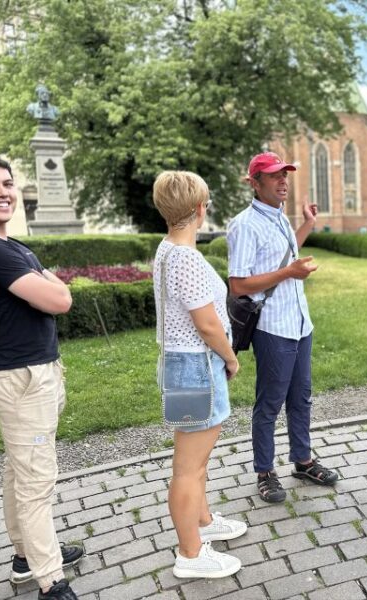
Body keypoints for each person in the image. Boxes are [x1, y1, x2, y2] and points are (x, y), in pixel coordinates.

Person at [0, 153, 83, 600]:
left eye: (7, 183)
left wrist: (52, 287)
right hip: (21, 379)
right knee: (36, 482)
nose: (2, 192)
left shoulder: (11, 246)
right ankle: (50, 581)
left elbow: (53, 292)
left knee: (21, 472)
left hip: (33, 371)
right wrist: (54, 287)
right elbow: (59, 300)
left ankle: (23, 557)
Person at [227, 152, 338, 503]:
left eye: (285, 174)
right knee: (270, 403)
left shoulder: (279, 218)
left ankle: (302, 460)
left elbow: (286, 254)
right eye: (274, 176)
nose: (282, 181)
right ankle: (264, 471)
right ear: (255, 183)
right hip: (273, 327)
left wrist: (306, 224)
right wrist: (289, 273)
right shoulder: (245, 225)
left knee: (301, 398)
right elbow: (239, 284)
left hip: (300, 323)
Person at [152, 170, 247, 579]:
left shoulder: (167, 249)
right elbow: (207, 324)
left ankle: (204, 521)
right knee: (188, 468)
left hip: (187, 365)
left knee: (197, 461)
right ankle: (190, 554)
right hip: (196, 368)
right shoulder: (185, 257)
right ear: (199, 209)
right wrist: (231, 357)